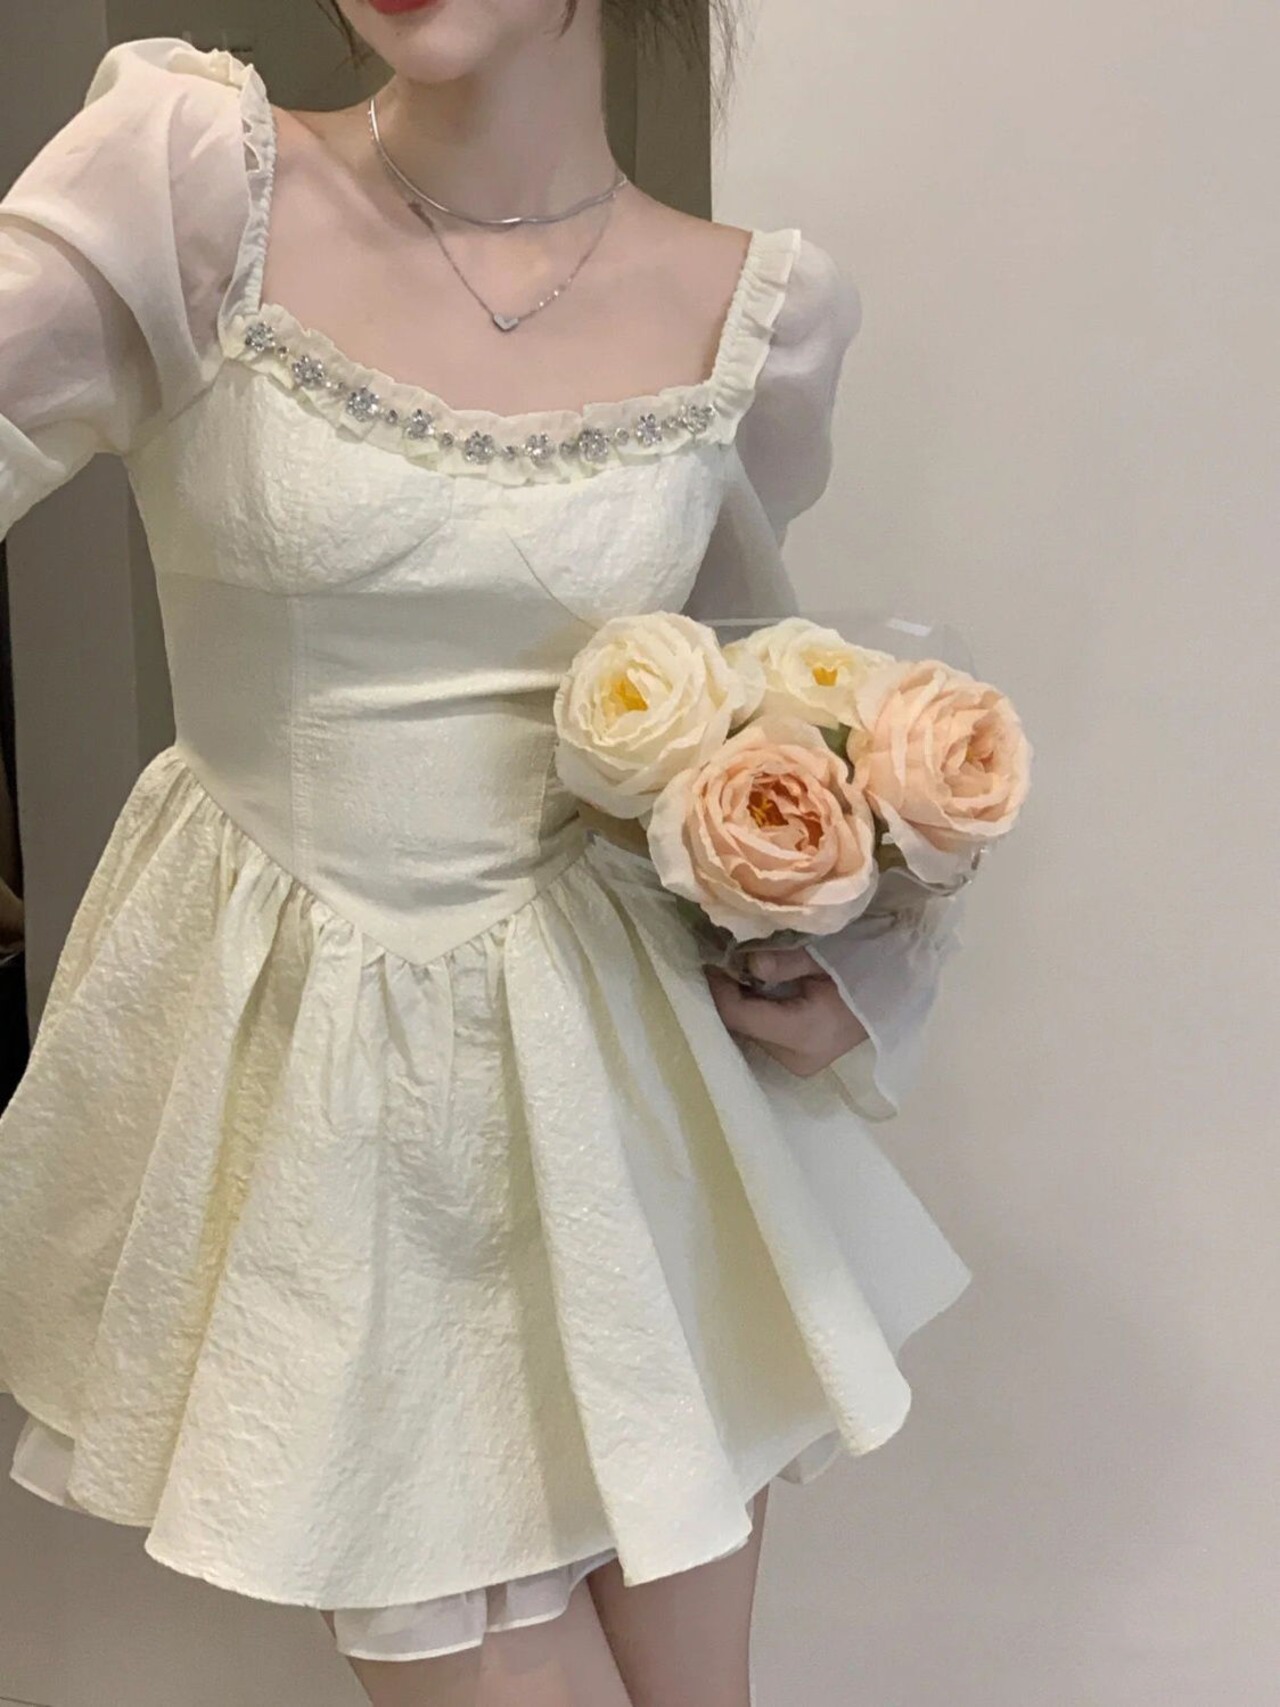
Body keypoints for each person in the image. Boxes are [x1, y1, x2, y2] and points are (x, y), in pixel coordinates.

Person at [0, 5, 974, 1703]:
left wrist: (859, 952)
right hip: (320, 1087)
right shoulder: (191, 183)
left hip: (629, 1106)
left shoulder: (759, 314)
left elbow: (749, 692)